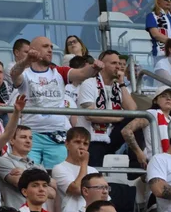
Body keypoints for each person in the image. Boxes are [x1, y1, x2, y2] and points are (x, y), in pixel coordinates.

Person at [10, 36, 102, 168]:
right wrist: (27, 60)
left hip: (57, 136)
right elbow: (14, 74)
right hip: (31, 136)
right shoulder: (25, 73)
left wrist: (94, 67)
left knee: (59, 180)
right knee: (29, 176)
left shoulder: (59, 72)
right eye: (45, 46)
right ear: (33, 50)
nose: (50, 50)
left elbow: (82, 73)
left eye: (51, 47)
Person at [76, 50, 136, 165]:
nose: (118, 66)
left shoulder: (118, 87)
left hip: (110, 136)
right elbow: (90, 115)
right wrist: (118, 118)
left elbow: (133, 111)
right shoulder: (89, 83)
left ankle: (135, 163)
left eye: (119, 63)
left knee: (137, 119)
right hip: (91, 138)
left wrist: (122, 83)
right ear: (103, 66)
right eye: (114, 63)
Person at [52, 126, 100, 212]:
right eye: (77, 142)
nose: (81, 146)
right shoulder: (59, 168)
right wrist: (84, 163)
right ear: (67, 144)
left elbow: (102, 197)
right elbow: (77, 189)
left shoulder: (94, 170)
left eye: (85, 144)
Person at [121, 85, 171, 169]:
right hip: (157, 164)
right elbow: (126, 130)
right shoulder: (151, 114)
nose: (168, 99)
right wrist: (139, 152)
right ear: (155, 101)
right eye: (163, 96)